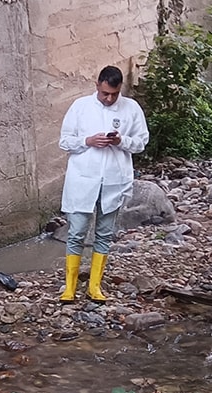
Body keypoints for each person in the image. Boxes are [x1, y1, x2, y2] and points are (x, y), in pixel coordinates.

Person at [57, 65, 149, 303]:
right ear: (97, 85)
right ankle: (70, 287)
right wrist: (87, 140)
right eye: (105, 93)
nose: (109, 98)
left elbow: (140, 142)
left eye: (114, 94)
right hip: (83, 178)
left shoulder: (131, 109)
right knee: (76, 232)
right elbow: (65, 141)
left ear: (120, 90)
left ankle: (95, 287)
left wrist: (121, 141)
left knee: (105, 234)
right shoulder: (80, 106)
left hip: (114, 180)